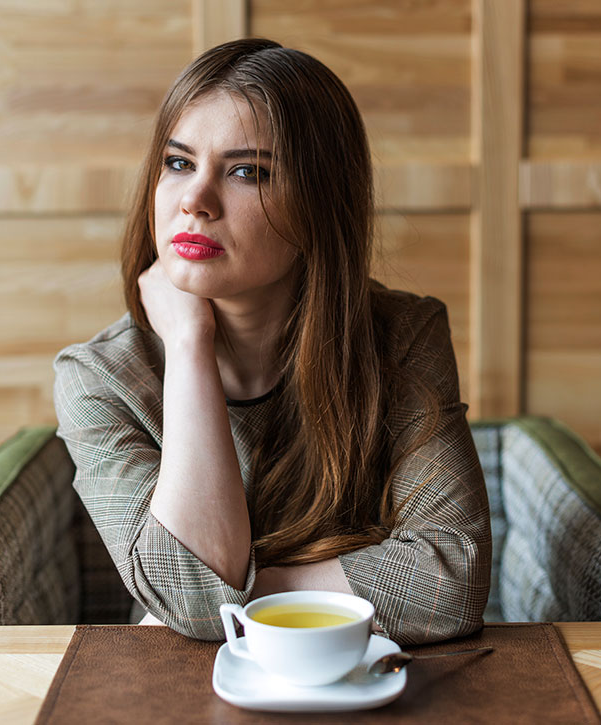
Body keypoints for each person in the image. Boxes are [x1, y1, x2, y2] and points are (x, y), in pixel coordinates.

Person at [54, 38, 491, 644]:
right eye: (179, 162)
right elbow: (199, 601)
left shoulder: (402, 337)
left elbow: (452, 579)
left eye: (246, 172)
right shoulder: (98, 377)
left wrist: (243, 591)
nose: (194, 202)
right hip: (182, 683)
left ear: (318, 204)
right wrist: (187, 344)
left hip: (359, 675)